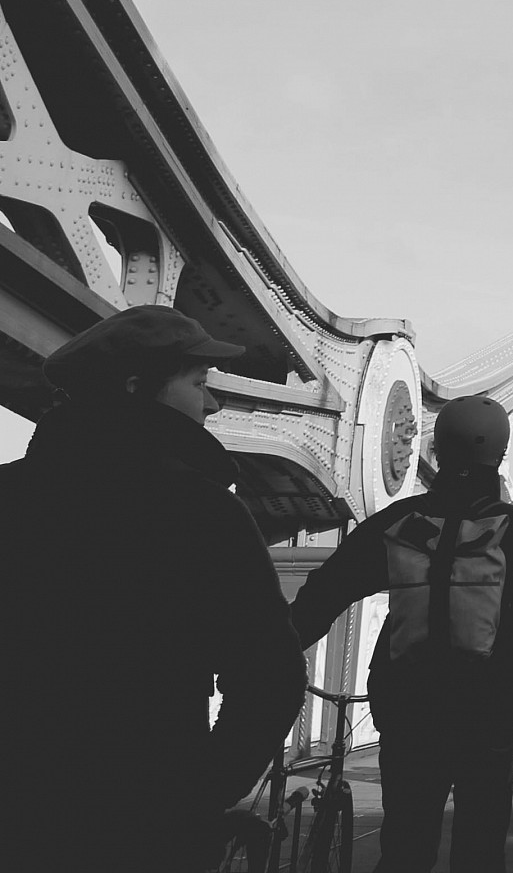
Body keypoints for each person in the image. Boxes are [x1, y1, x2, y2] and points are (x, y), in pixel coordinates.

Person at [0, 306, 305, 873]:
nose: (211, 404)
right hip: (146, 820)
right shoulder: (202, 510)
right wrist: (198, 796)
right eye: (197, 384)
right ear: (137, 390)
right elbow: (271, 677)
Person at [291, 394, 513, 873]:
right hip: (487, 711)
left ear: (437, 449)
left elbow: (324, 594)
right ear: (499, 455)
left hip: (409, 705)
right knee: (480, 842)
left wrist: (278, 648)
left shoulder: (399, 521)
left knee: (406, 841)